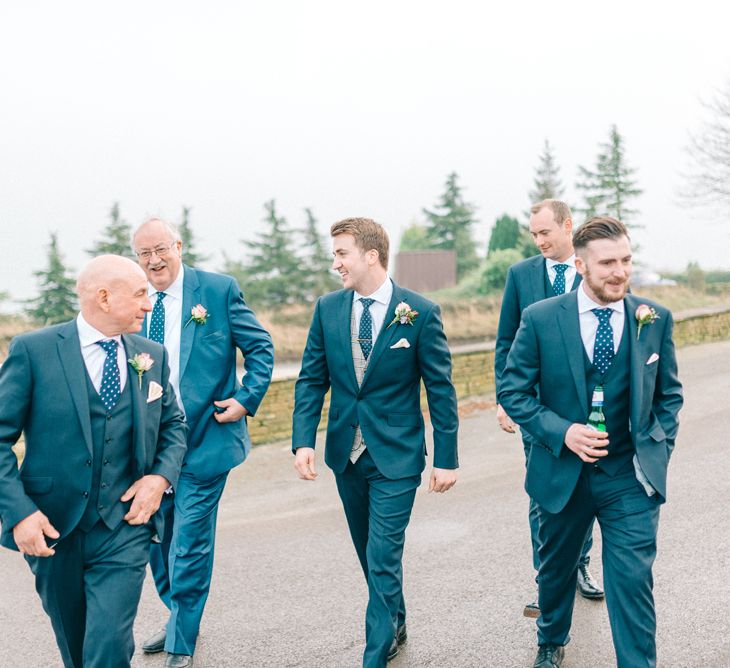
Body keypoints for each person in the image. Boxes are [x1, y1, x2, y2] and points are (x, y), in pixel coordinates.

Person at [498, 217, 683, 668]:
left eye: (626, 260)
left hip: (628, 476)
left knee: (632, 581)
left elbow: (669, 394)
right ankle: (551, 638)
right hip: (562, 473)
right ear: (580, 265)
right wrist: (563, 431)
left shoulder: (653, 318)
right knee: (555, 570)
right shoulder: (541, 318)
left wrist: (658, 447)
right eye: (607, 263)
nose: (619, 272)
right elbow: (513, 392)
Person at [0, 255, 187, 668]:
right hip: (52, 526)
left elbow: (174, 424)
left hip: (124, 526)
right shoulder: (34, 350)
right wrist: (19, 514)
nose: (148, 304)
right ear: (104, 297)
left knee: (109, 644)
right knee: (75, 643)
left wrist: (159, 478)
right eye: (140, 294)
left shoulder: (150, 354)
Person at [292, 217, 459, 667]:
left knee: (383, 554)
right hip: (345, 455)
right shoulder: (327, 309)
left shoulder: (419, 312)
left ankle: (373, 656)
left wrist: (446, 458)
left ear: (371, 255)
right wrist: (302, 441)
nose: (335, 264)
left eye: (341, 253)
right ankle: (396, 619)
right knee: (370, 554)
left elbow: (440, 390)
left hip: (397, 457)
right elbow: (311, 380)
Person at [132, 218, 274, 668]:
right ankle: (178, 613)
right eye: (143, 254)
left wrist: (245, 399)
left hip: (205, 440)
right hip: (148, 450)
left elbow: (261, 348)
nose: (154, 261)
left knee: (189, 541)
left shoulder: (216, 290)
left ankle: (182, 639)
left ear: (178, 245)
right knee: (156, 539)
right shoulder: (134, 300)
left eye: (160, 249)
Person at [495, 199, 603, 616]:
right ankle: (547, 579)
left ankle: (580, 566)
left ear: (567, 226)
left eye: (545, 232)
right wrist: (506, 397)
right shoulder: (520, 275)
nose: (539, 241)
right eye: (534, 235)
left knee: (587, 487)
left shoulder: (592, 267)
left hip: (589, 406)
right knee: (544, 492)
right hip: (535, 408)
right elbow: (506, 341)